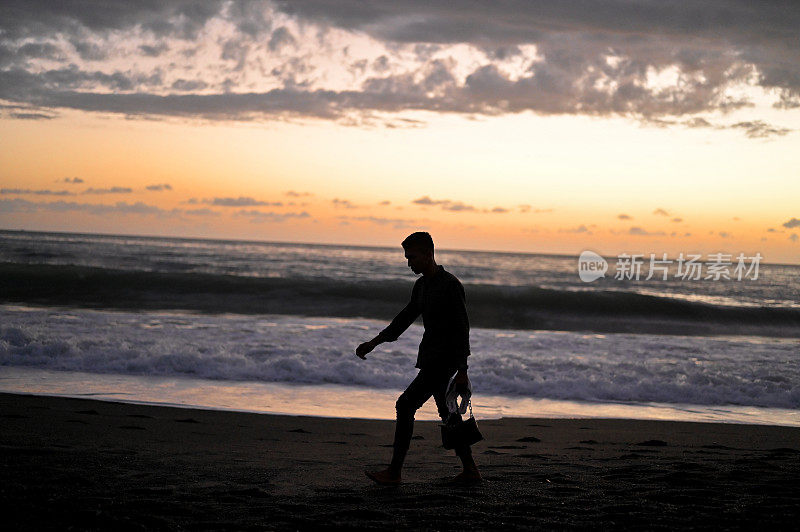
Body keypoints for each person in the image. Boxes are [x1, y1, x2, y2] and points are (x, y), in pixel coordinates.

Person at [356, 231, 481, 485]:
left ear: (428, 254)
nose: (408, 263)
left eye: (412, 257)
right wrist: (374, 342)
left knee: (405, 405)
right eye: (406, 257)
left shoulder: (450, 285)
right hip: (430, 358)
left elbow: (462, 329)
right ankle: (470, 469)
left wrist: (463, 370)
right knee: (447, 414)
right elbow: (404, 318)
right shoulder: (422, 286)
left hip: (443, 363)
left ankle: (394, 472)